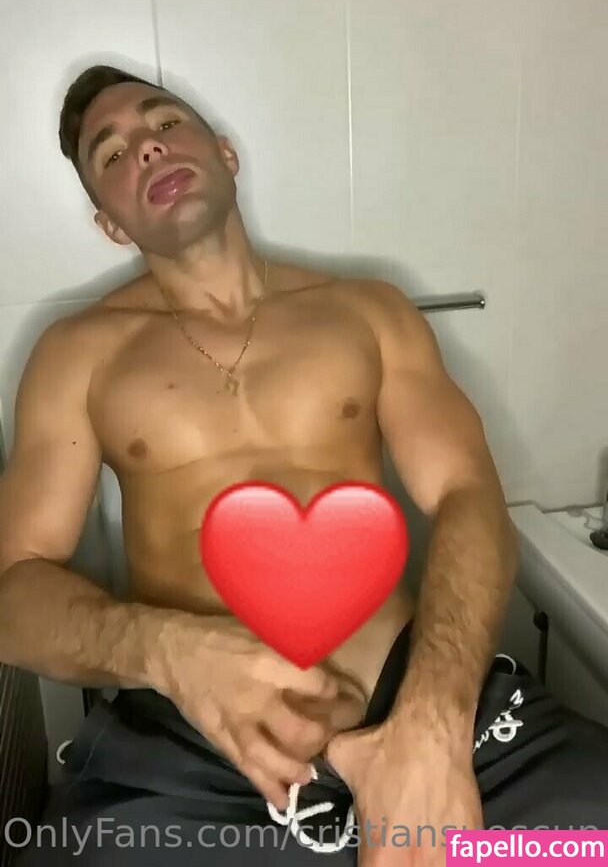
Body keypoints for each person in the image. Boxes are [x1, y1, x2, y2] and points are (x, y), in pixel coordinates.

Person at [1, 65, 607, 867]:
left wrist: (431, 726)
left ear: (225, 154)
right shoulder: (75, 354)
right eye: (111, 155)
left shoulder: (369, 311)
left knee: (587, 841)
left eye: (165, 123)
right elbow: (13, 590)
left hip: (439, 712)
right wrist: (169, 650)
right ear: (110, 224)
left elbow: (468, 495)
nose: (146, 149)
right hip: (193, 763)